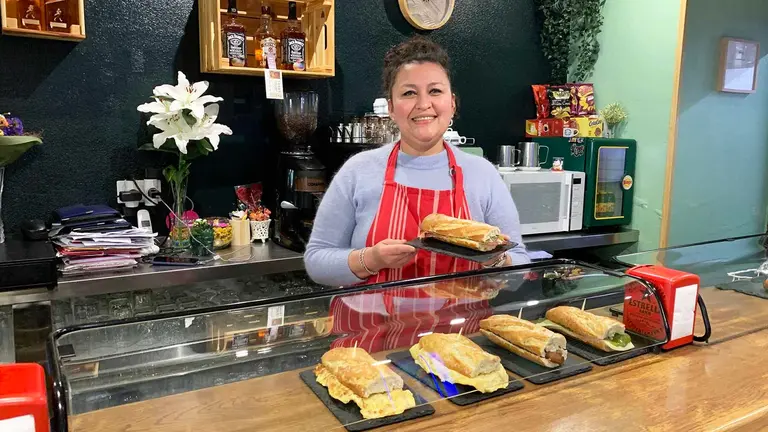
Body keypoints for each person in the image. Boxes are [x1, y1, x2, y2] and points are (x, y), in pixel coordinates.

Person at [304, 35, 530, 287]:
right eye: (409, 93)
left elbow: (519, 270)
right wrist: (372, 259)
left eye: (435, 91)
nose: (423, 104)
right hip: (373, 325)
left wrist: (494, 260)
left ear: (452, 103)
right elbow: (317, 262)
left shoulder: (482, 174)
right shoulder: (359, 170)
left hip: (458, 327)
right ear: (390, 108)